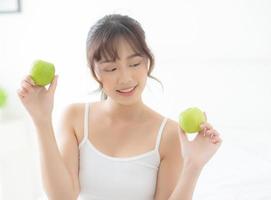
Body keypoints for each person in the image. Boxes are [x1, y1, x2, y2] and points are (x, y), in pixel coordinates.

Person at [17, 14, 222, 200]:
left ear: (147, 63)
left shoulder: (169, 133)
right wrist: (41, 119)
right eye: (111, 68)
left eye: (134, 64)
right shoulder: (75, 118)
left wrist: (193, 166)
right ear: (95, 72)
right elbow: (62, 197)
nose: (125, 78)